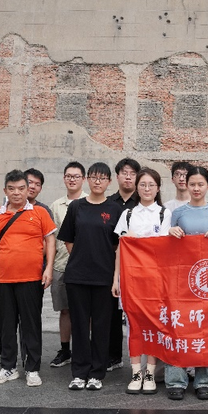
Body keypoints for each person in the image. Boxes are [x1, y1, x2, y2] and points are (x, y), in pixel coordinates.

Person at [0, 170, 56, 387]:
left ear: (28, 189)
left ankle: (32, 369)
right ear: (5, 190)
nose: (17, 193)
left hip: (31, 279)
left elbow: (50, 241)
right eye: (12, 188)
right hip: (4, 280)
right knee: (6, 325)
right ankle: (8, 367)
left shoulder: (39, 212)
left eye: (21, 188)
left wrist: (48, 268)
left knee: (31, 325)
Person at [58, 162, 123, 391]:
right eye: (94, 177)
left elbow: (118, 245)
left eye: (102, 178)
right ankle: (79, 373)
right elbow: (68, 239)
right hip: (77, 276)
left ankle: (97, 373)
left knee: (101, 326)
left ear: (109, 182)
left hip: (104, 277)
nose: (97, 181)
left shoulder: (115, 209)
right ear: (87, 179)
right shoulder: (77, 206)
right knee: (79, 325)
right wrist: (82, 257)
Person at [166, 166, 208, 401]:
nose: (196, 188)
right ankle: (175, 380)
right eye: (192, 184)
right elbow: (169, 247)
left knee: (205, 329)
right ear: (185, 185)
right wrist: (171, 231)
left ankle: (204, 380)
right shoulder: (178, 212)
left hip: (207, 280)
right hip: (181, 278)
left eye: (201, 184)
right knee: (178, 327)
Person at [112, 167, 172, 395]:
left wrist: (137, 239)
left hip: (155, 279)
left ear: (158, 188)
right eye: (143, 185)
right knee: (133, 326)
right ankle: (136, 372)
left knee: (154, 325)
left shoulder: (164, 214)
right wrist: (116, 279)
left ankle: (150, 372)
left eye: (151, 185)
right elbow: (121, 249)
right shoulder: (128, 214)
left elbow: (162, 247)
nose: (147, 189)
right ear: (137, 188)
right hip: (131, 279)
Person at [49, 161, 89, 368]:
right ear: (64, 178)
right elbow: (51, 239)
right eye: (68, 176)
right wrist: (48, 267)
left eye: (76, 176)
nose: (72, 179)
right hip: (61, 265)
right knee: (65, 310)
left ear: (84, 179)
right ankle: (65, 350)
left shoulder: (91, 202)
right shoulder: (56, 206)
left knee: (86, 312)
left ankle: (85, 349)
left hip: (85, 267)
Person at [107, 157, 141, 372]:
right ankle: (113, 356)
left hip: (138, 266)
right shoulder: (109, 202)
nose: (128, 177)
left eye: (132, 174)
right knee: (112, 312)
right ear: (117, 176)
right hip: (113, 263)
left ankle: (143, 360)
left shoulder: (143, 202)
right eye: (124, 173)